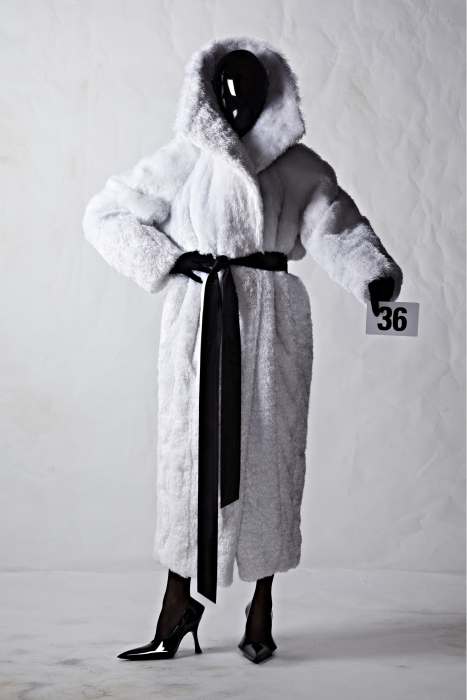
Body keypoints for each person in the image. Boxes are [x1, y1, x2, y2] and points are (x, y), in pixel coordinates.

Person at [83, 37, 402, 664]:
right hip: (203, 319)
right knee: (190, 456)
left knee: (272, 457)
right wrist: (171, 260)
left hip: (275, 323)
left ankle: (262, 604)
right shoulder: (183, 160)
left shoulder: (299, 166)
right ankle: (179, 602)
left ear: (272, 95)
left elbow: (335, 226)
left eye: (250, 92)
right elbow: (106, 214)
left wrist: (373, 275)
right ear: (206, 93)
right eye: (227, 91)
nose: (237, 103)